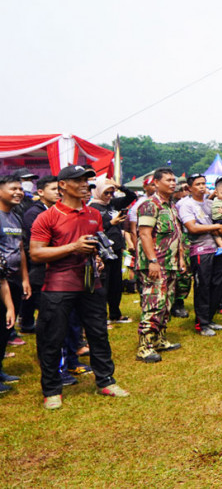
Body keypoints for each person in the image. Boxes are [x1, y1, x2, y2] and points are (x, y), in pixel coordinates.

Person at [30, 164, 129, 410]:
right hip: (58, 285)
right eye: (78, 180)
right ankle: (52, 390)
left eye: (87, 180)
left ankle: (105, 380)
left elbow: (97, 243)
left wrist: (97, 257)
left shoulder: (94, 215)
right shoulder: (47, 216)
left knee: (98, 334)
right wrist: (73, 247)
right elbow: (36, 253)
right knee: (52, 338)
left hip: (91, 283)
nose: (85, 184)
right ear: (62, 185)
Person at [135, 168, 184, 363]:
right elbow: (145, 234)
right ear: (156, 183)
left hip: (170, 263)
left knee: (167, 303)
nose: (173, 183)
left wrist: (180, 259)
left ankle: (160, 339)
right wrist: (152, 261)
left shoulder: (171, 206)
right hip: (155, 264)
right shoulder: (149, 205)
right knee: (154, 303)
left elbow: (176, 235)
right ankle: (144, 347)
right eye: (169, 180)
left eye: (175, 180)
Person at [176, 174, 222, 336]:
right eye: (198, 184)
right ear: (190, 187)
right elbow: (192, 228)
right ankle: (201, 323)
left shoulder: (209, 203)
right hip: (200, 250)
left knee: (219, 284)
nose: (201, 187)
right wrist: (216, 227)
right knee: (203, 286)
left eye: (203, 184)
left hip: (217, 248)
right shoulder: (186, 205)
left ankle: (210, 317)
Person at [87, 175, 137, 324]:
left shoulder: (112, 204)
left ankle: (115, 313)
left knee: (116, 283)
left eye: (111, 192)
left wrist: (119, 186)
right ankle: (101, 316)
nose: (109, 196)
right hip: (101, 251)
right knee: (103, 284)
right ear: (98, 192)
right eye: (106, 193)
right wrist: (111, 223)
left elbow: (132, 196)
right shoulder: (92, 208)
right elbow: (94, 230)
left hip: (116, 249)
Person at [18, 176, 59, 333]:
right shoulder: (34, 213)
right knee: (35, 297)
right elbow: (32, 241)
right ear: (40, 192)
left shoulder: (54, 210)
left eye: (59, 190)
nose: (58, 193)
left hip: (49, 260)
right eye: (54, 189)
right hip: (37, 262)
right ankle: (28, 324)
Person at [0, 175, 28, 387]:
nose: (19, 192)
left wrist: (25, 279)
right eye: (13, 188)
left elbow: (20, 249)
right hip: (1, 281)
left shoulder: (15, 218)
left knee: (6, 328)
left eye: (20, 188)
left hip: (15, 280)